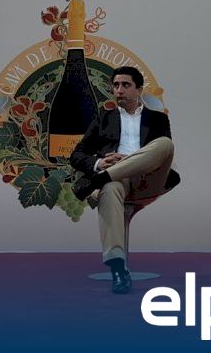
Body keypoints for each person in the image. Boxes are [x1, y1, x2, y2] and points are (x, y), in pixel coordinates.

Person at [69, 65, 179, 295]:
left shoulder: (158, 119)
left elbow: (160, 154)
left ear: (139, 89)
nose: (119, 90)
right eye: (116, 85)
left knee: (165, 144)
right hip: (116, 179)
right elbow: (77, 155)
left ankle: (98, 180)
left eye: (126, 85)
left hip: (149, 178)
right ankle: (118, 268)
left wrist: (128, 159)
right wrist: (100, 162)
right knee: (109, 189)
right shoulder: (104, 119)